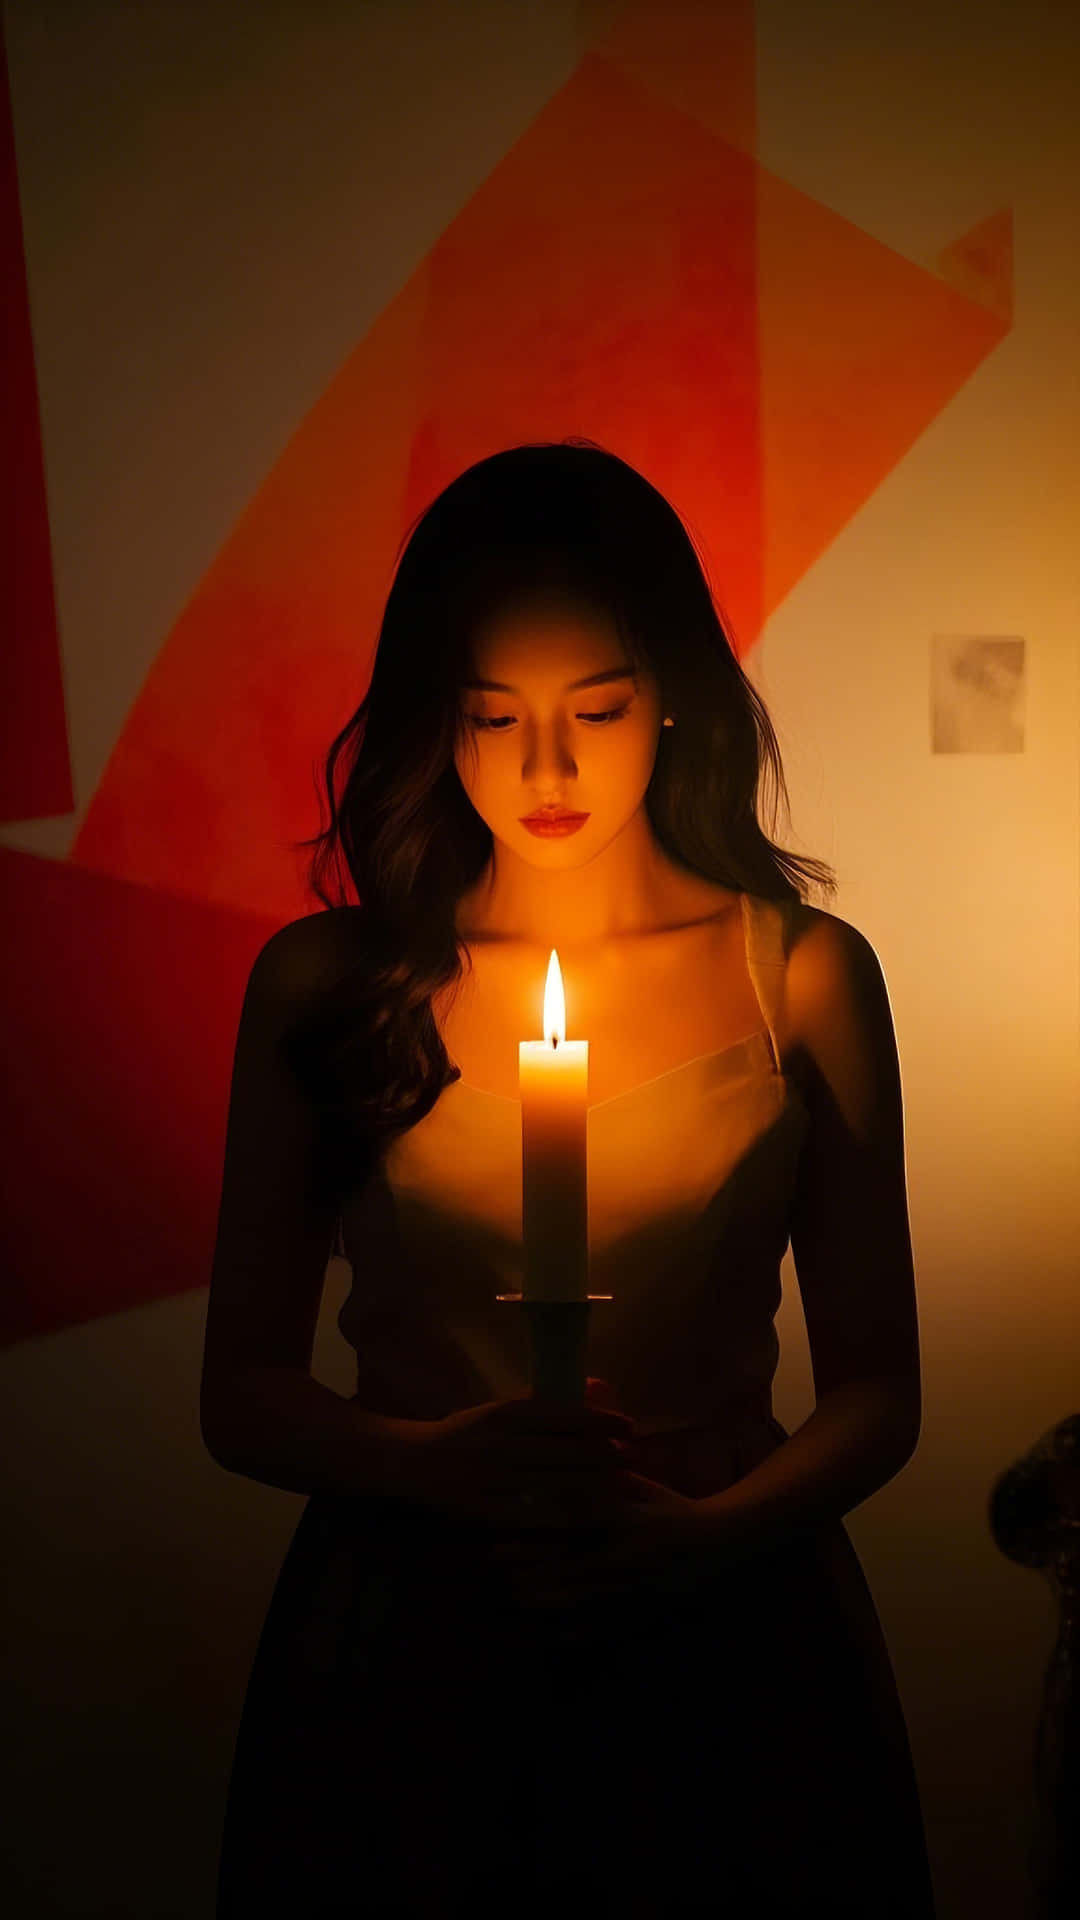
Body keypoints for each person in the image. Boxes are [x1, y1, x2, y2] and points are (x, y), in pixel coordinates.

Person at [202, 439, 936, 1915]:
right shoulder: (333, 984)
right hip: (410, 1633)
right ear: (437, 717)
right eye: (494, 717)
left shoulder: (798, 979)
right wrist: (426, 1461)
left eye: (594, 709)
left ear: (671, 694)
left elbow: (879, 1388)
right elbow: (243, 1392)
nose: (546, 772)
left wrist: (703, 1535)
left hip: (731, 1635)